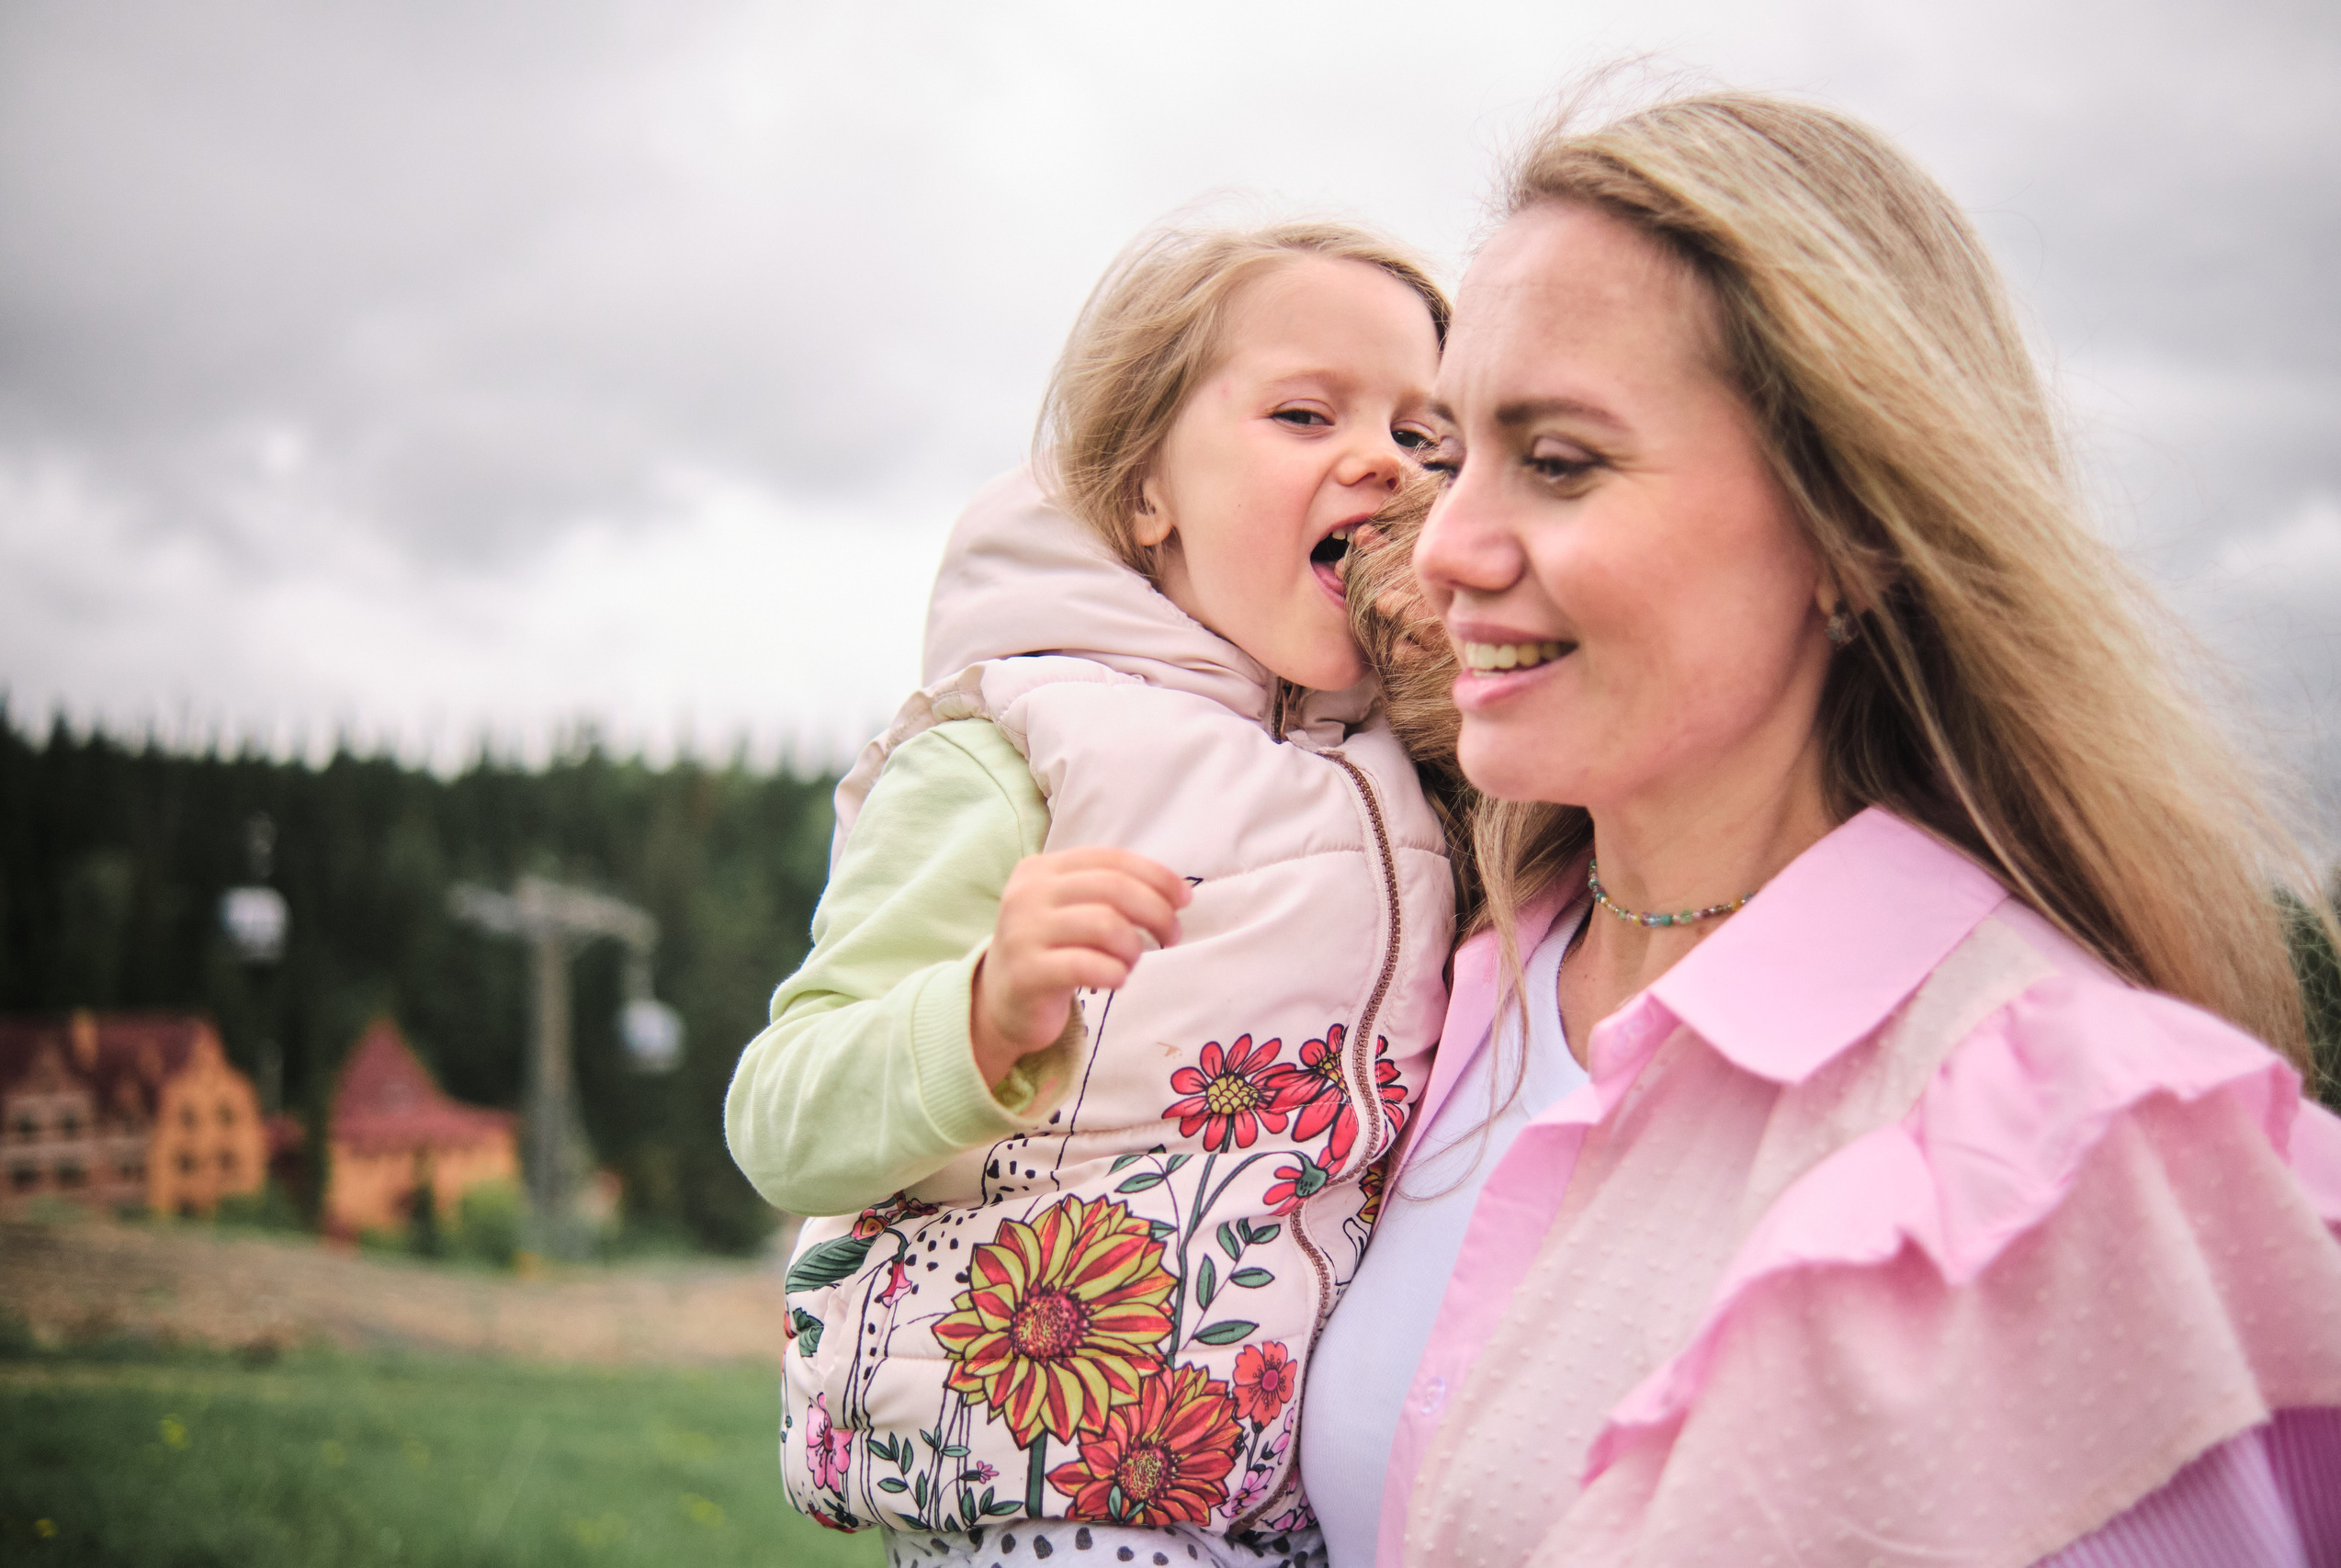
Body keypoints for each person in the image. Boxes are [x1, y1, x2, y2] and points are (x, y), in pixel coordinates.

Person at [1332, 92, 2341, 1566]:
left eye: (1557, 461)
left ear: (1855, 530)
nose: (1447, 546)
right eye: (1454, 449)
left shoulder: (2078, 1157)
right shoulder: (1442, 975)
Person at [725, 220, 1462, 1568]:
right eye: (1306, 412)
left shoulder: (1417, 774)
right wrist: (983, 1012)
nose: (1383, 463)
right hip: (1045, 1495)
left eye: (1428, 440)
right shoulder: (1017, 740)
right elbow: (780, 1119)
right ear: (1145, 497)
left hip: (1290, 1507)